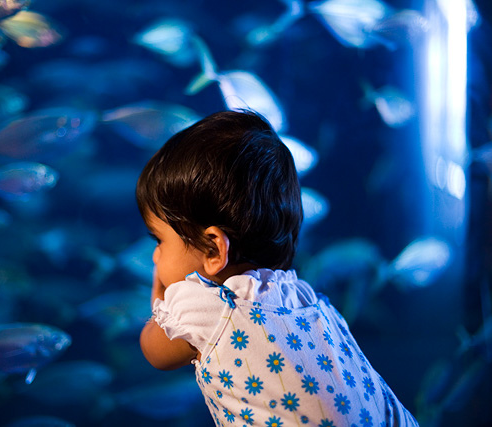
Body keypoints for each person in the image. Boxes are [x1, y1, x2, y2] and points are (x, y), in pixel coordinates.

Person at [136, 110, 419, 426]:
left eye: (159, 240)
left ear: (214, 249)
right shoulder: (307, 299)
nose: (155, 256)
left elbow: (154, 349)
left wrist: (162, 290)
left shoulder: (207, 309)